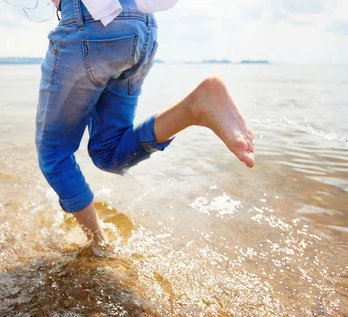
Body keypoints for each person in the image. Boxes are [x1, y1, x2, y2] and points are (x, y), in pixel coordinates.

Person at [36, 0, 255, 249]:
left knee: (54, 153)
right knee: (108, 154)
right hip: (142, 25)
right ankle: (195, 107)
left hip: (90, 23)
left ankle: (99, 246)